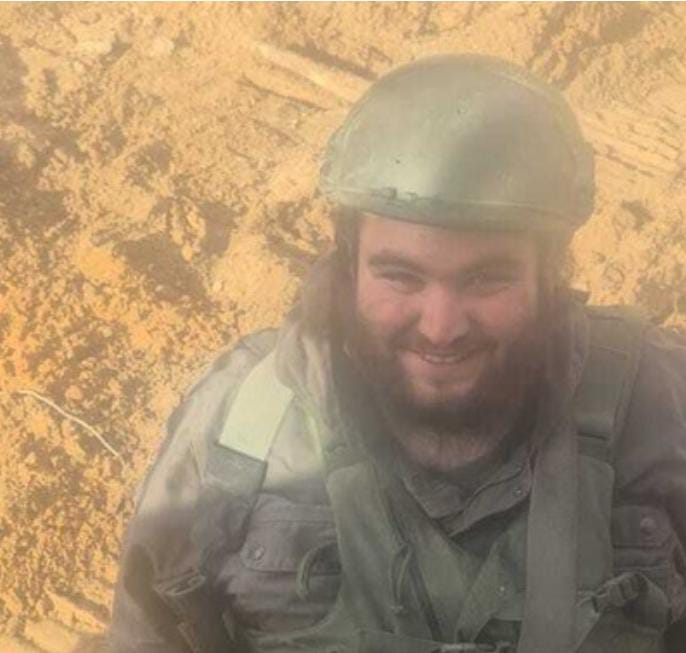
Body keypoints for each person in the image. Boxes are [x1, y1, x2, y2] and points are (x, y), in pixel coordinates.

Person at [109, 54, 686, 653]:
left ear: (549, 274)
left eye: (487, 279)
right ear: (349, 264)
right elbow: (150, 632)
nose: (441, 327)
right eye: (401, 277)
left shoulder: (661, 407)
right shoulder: (243, 425)